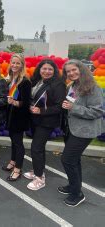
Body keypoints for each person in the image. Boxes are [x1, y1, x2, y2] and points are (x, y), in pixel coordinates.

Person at [59, 59, 104, 206]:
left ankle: (77, 194)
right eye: (68, 71)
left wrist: (73, 108)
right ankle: (74, 186)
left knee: (67, 159)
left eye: (74, 70)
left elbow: (98, 111)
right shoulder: (74, 85)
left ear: (81, 69)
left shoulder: (93, 87)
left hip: (85, 130)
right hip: (72, 128)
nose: (71, 73)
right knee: (74, 159)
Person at [24, 59, 66, 190]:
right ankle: (38, 170)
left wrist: (41, 110)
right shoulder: (37, 80)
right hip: (35, 120)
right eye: (44, 69)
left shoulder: (58, 84)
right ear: (39, 69)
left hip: (46, 122)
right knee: (39, 148)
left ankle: (40, 178)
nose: (46, 71)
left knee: (36, 147)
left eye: (50, 69)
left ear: (54, 71)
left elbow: (60, 107)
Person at [3, 54, 31, 181]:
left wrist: (14, 102)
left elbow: (26, 103)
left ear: (22, 65)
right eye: (13, 63)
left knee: (18, 143)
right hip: (10, 115)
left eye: (17, 63)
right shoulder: (10, 78)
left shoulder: (25, 81)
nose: (14, 65)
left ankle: (17, 169)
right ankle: (13, 161)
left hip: (19, 117)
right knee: (13, 141)